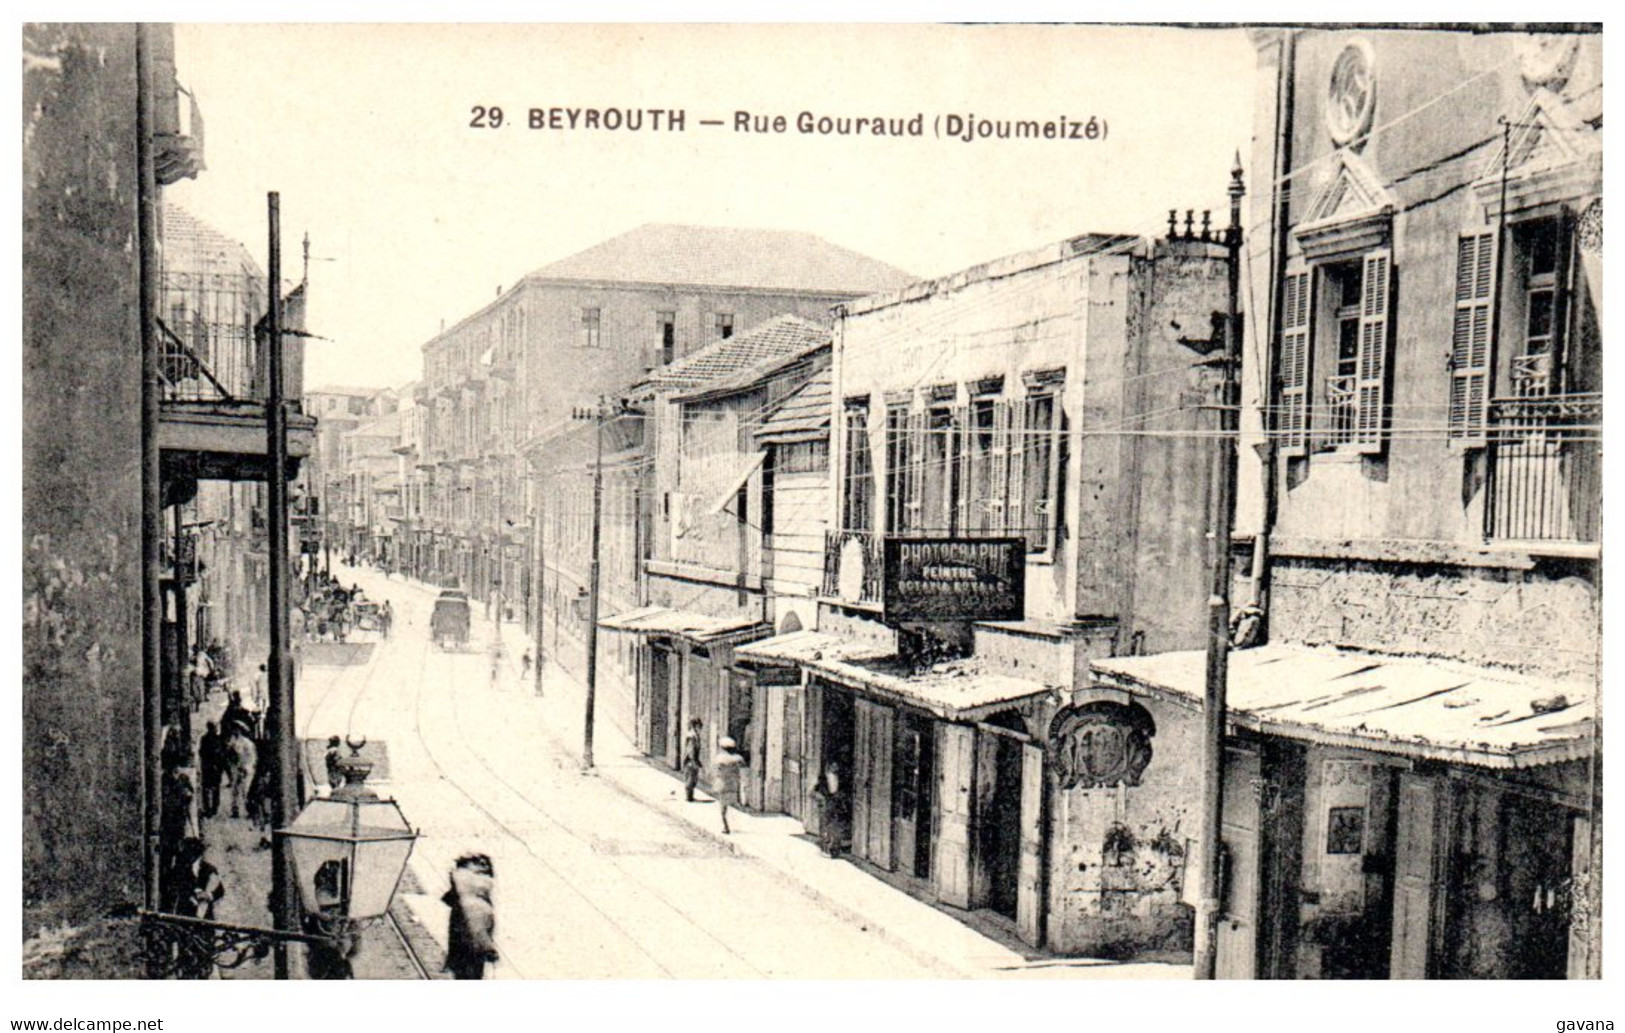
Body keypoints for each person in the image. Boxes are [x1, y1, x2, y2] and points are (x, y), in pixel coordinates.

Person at [442, 854, 498, 979]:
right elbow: (476, 928)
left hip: (462, 955)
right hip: (471, 955)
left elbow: (448, 899)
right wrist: (489, 950)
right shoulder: (476, 902)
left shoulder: (465, 897)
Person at [812, 762, 849, 858]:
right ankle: (826, 848)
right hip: (827, 804)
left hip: (837, 804)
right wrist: (821, 799)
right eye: (833, 766)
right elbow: (814, 792)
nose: (835, 768)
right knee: (827, 826)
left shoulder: (842, 779)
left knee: (836, 827)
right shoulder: (823, 780)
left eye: (836, 767)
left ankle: (835, 849)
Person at [713, 737, 745, 835]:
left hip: (722, 784)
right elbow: (743, 766)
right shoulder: (738, 759)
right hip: (734, 784)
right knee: (735, 803)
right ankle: (734, 825)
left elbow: (715, 770)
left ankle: (725, 826)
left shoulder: (719, 758)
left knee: (723, 806)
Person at [198, 721, 226, 820]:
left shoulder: (205, 739)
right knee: (213, 788)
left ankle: (210, 808)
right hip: (212, 766)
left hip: (209, 766)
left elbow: (201, 752)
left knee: (208, 788)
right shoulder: (216, 739)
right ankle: (212, 808)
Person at [681, 718, 704, 803]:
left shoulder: (694, 734)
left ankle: (690, 796)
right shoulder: (692, 735)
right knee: (691, 777)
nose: (700, 728)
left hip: (692, 758)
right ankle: (689, 796)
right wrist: (694, 760)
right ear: (696, 725)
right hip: (690, 759)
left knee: (693, 777)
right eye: (699, 726)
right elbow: (691, 749)